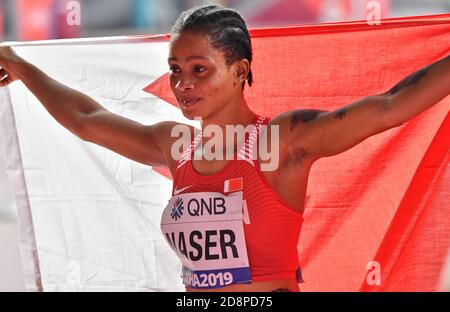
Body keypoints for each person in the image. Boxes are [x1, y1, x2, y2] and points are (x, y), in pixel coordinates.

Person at [0, 4, 448, 292]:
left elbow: (389, 107)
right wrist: (20, 66)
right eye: (175, 70)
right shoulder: (175, 146)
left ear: (240, 70)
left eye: (199, 69)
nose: (182, 84)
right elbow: (86, 120)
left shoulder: (283, 141)